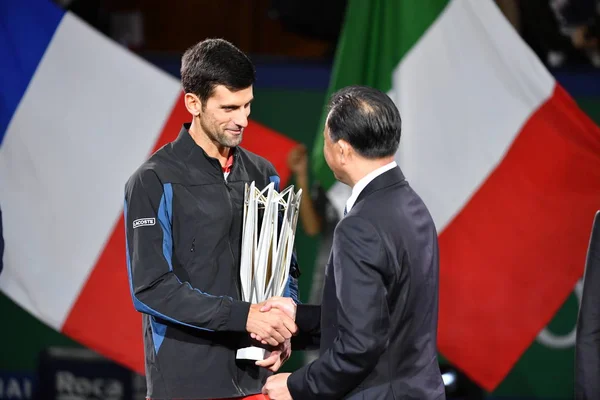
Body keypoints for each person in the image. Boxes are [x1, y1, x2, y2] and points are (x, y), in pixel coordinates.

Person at [124, 38, 299, 400]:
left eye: (248, 105)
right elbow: (151, 289)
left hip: (257, 380)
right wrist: (245, 317)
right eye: (229, 108)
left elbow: (284, 268)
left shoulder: (263, 174)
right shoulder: (153, 180)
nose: (243, 120)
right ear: (193, 103)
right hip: (187, 386)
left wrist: (282, 323)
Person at [260, 85, 446, 399]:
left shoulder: (359, 225)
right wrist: (299, 317)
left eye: (326, 137)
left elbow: (361, 345)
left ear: (343, 150)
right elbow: (381, 319)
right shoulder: (412, 205)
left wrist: (295, 386)